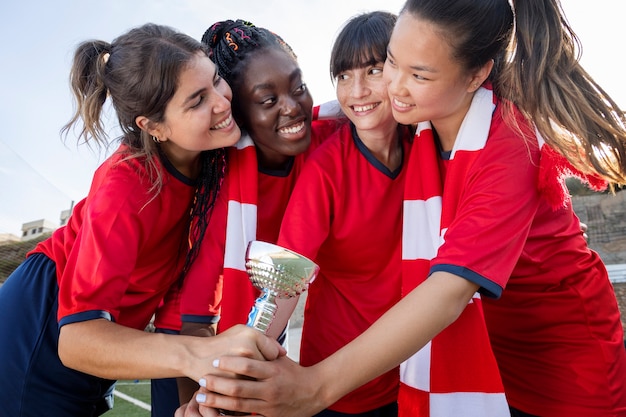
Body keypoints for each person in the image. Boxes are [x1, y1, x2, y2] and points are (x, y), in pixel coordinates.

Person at [191, 1, 626, 416]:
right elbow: (301, 130)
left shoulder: (507, 141)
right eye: (393, 61)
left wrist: (313, 388)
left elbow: (448, 292)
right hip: (485, 347)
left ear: (476, 75)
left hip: (563, 352)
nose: (395, 87)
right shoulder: (411, 124)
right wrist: (226, 385)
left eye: (417, 74)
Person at [0, 23, 285, 417]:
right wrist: (199, 354)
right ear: (154, 127)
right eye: (197, 100)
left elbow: (181, 313)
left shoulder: (212, 162)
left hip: (97, 345)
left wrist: (197, 403)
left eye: (216, 80)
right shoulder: (127, 184)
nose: (222, 102)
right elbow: (78, 340)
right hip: (35, 337)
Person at [165, 19, 341, 409]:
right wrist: (199, 403)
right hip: (185, 340)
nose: (293, 107)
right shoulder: (220, 184)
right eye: (268, 100)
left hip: (265, 320)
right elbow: (195, 314)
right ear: (238, 114)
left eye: (298, 88)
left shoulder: (329, 141)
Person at [274, 11, 409, 416]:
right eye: (344, 76)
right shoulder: (327, 167)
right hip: (337, 383)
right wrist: (245, 358)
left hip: (415, 371)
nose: (358, 91)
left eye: (373, 70)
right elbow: (286, 276)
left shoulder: (428, 143)